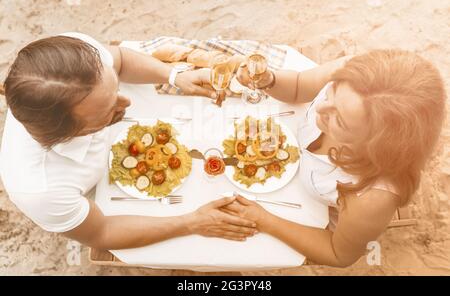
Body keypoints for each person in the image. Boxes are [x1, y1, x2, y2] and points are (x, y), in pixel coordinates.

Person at [0, 32, 257, 250]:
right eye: (108, 110)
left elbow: (120, 61)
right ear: (69, 134)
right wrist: (192, 222)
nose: (127, 103)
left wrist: (174, 77)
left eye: (116, 91)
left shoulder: (71, 59)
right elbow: (102, 233)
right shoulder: (41, 191)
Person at [224, 49, 446, 267]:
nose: (320, 107)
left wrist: (264, 220)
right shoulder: (354, 83)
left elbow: (338, 254)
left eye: (339, 120)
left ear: (373, 145)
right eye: (330, 93)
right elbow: (299, 86)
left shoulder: (371, 196)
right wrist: (269, 80)